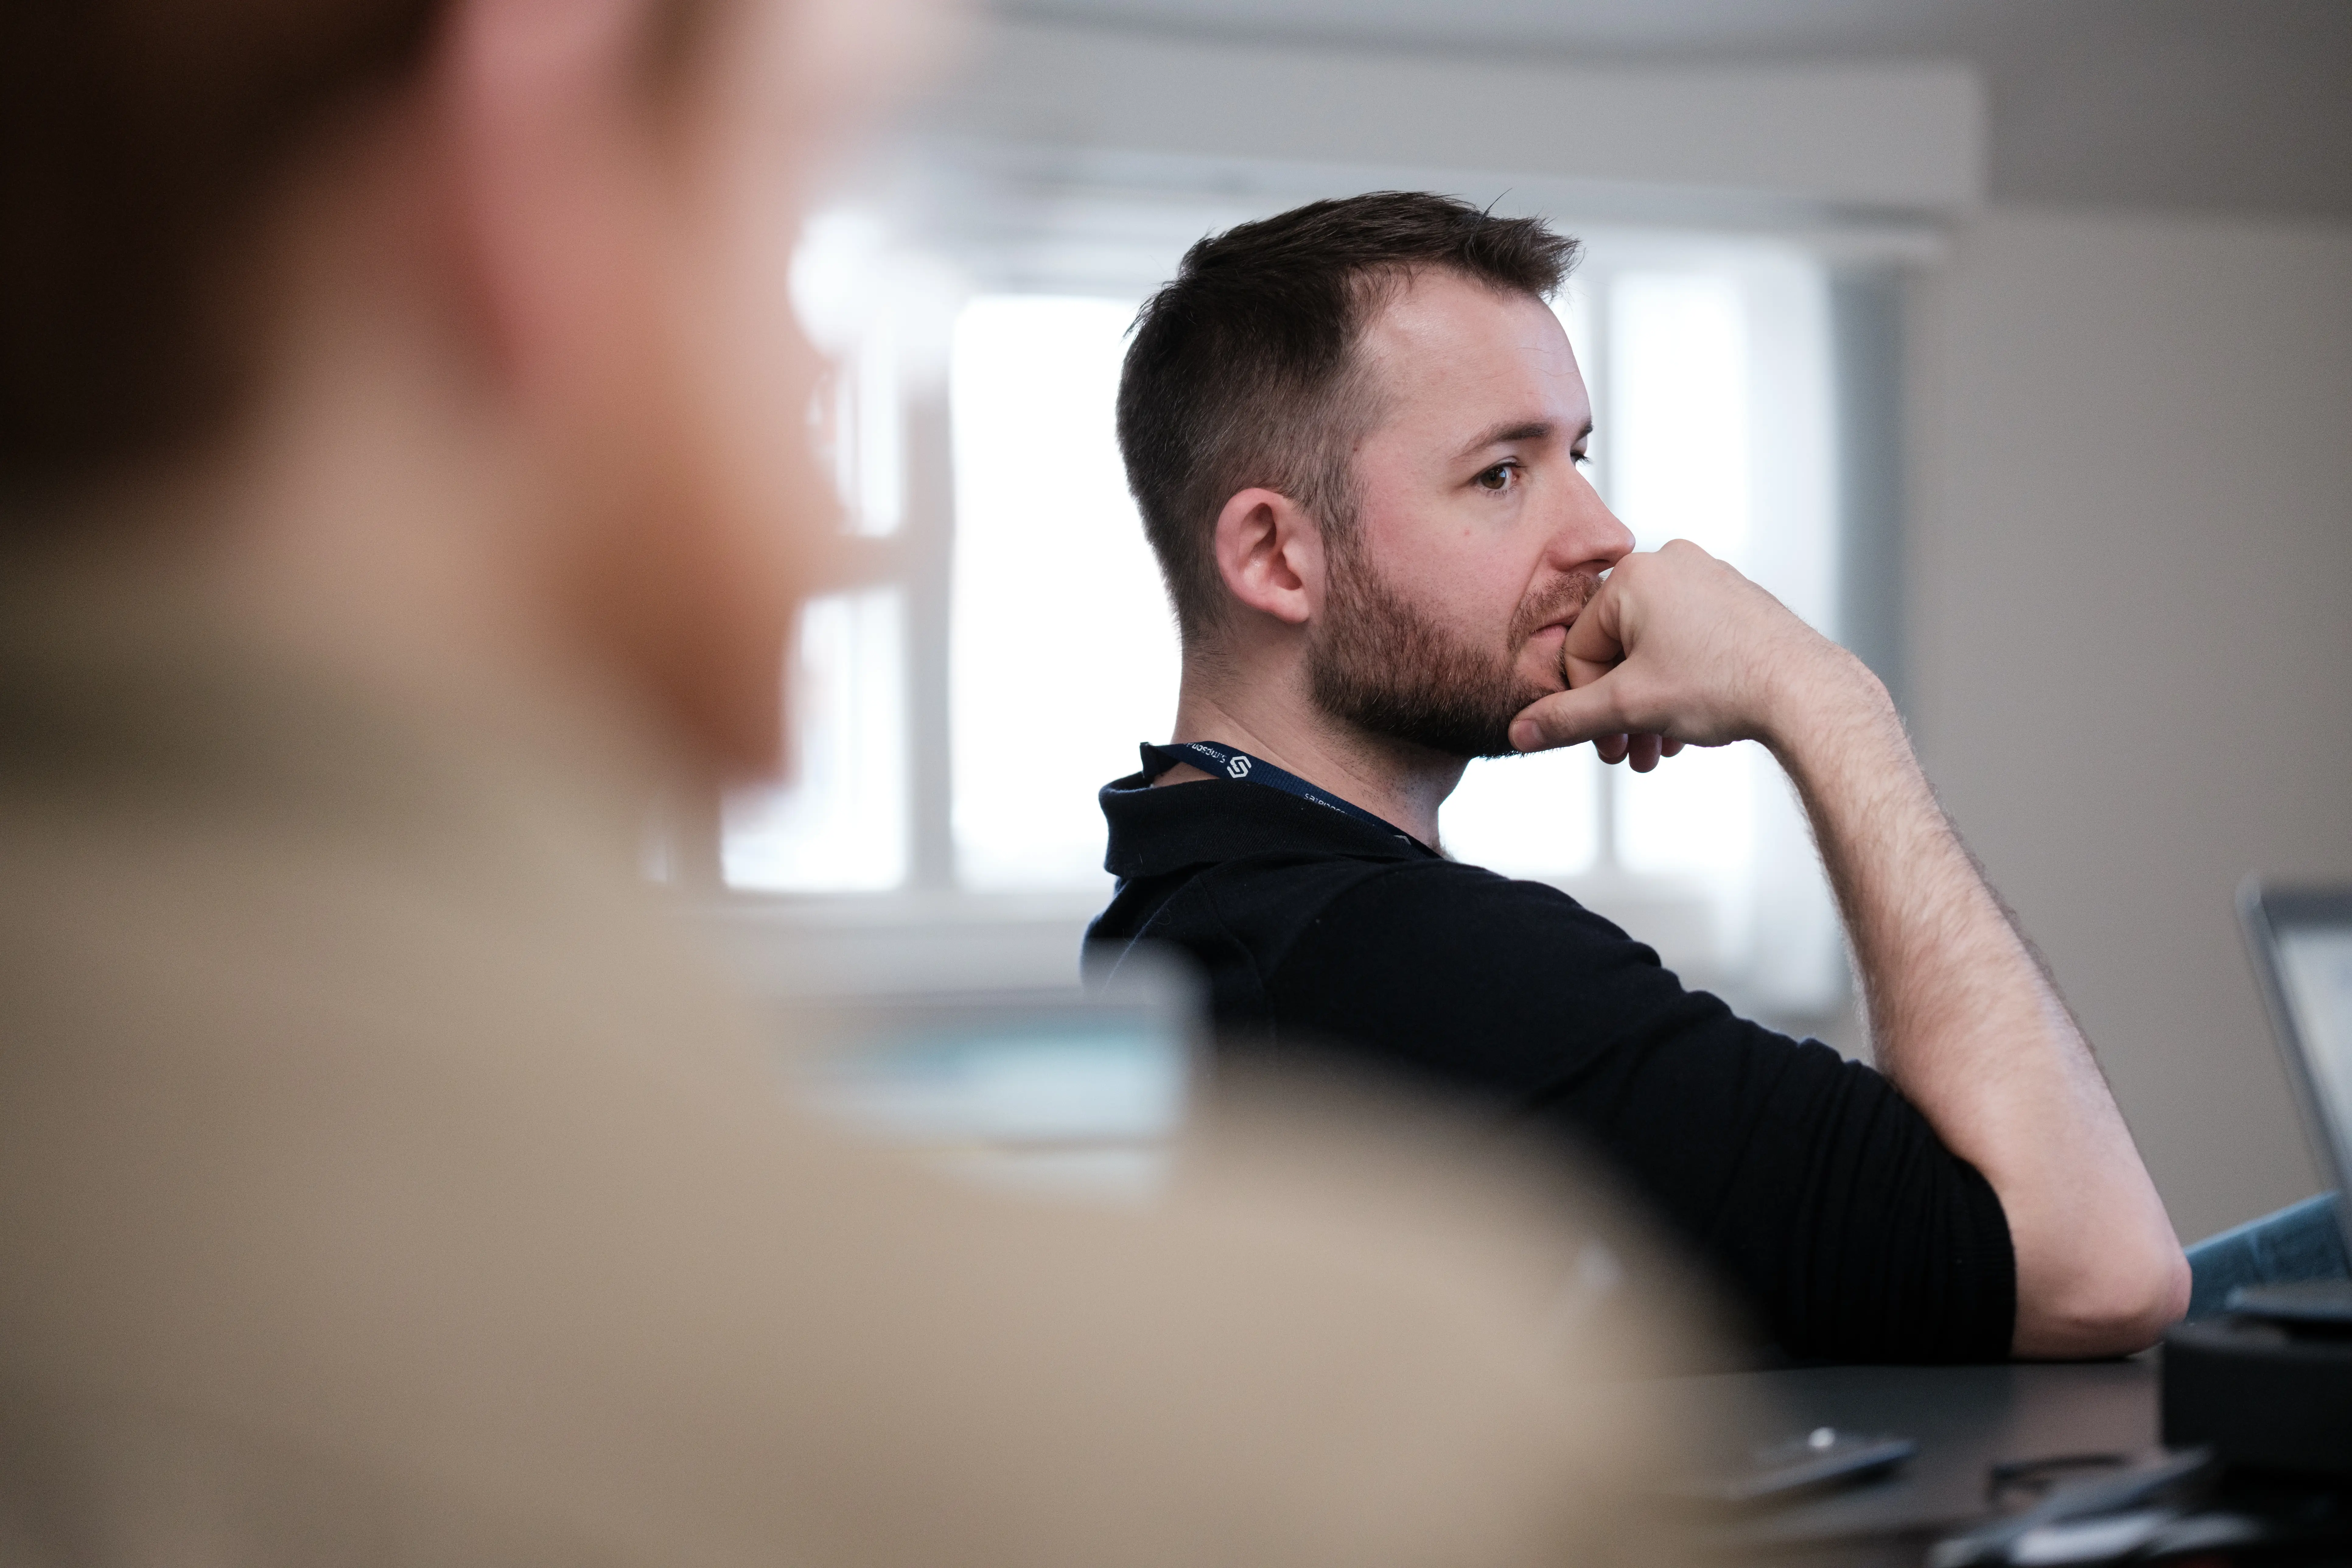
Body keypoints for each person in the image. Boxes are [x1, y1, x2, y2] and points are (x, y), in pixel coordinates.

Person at [0, 6, 1713, 1565]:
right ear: (529, 168)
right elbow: (1986, 1255)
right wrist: (1829, 708)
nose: (823, 389)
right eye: (815, 172)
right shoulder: (1365, 1452)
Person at [1086, 191, 2193, 1364]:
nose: (1606, 534)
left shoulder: (1188, 896)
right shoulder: (1406, 954)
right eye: (1501, 475)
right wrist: (1823, 698)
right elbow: (2098, 1269)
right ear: (1274, 556)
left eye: (1578, 456)